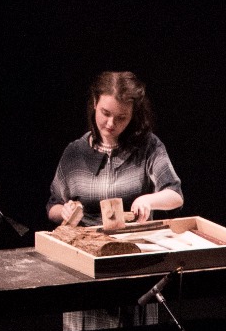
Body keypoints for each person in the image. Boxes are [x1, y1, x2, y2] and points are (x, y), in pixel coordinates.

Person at [44, 71, 183, 228]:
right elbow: (53, 206)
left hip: (134, 243)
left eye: (121, 117)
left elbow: (175, 195)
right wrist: (65, 211)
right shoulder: (75, 152)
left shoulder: (148, 146)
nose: (111, 123)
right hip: (86, 244)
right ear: (95, 102)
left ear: (132, 115)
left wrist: (147, 201)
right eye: (106, 113)